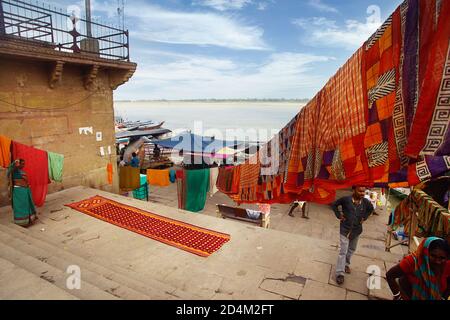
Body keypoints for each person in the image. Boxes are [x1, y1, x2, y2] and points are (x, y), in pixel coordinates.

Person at [332, 186, 374, 284]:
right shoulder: (346, 200)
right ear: (354, 190)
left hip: (356, 230)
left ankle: (346, 264)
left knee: (351, 249)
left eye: (363, 191)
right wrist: (339, 215)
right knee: (343, 251)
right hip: (345, 230)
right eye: (360, 191)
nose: (362, 193)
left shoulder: (366, 202)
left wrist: (365, 217)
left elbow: (370, 209)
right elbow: (334, 205)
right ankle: (340, 273)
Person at [386, 237, 450, 300]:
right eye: (433, 256)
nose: (437, 261)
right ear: (426, 253)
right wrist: (398, 296)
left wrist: (443, 298)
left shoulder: (446, 265)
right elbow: (390, 275)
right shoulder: (413, 261)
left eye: (442, 258)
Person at [7, 159, 37, 227]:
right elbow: (9, 171)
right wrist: (14, 164)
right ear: (18, 164)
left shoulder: (21, 171)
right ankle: (21, 222)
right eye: (22, 164)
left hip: (25, 190)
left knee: (27, 205)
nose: (23, 165)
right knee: (20, 206)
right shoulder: (14, 171)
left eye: (24, 164)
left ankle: (29, 220)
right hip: (18, 191)